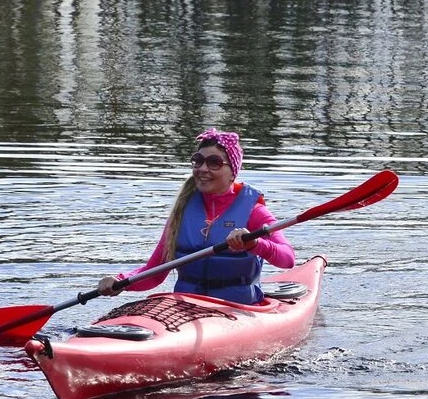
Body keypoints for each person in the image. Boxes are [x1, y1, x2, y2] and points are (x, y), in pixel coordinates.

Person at [94, 130, 295, 306]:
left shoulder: (254, 211)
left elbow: (287, 259)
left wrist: (255, 244)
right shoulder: (182, 211)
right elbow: (154, 272)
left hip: (237, 308)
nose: (203, 169)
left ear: (233, 173)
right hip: (186, 308)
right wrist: (120, 281)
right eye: (198, 161)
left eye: (214, 163)